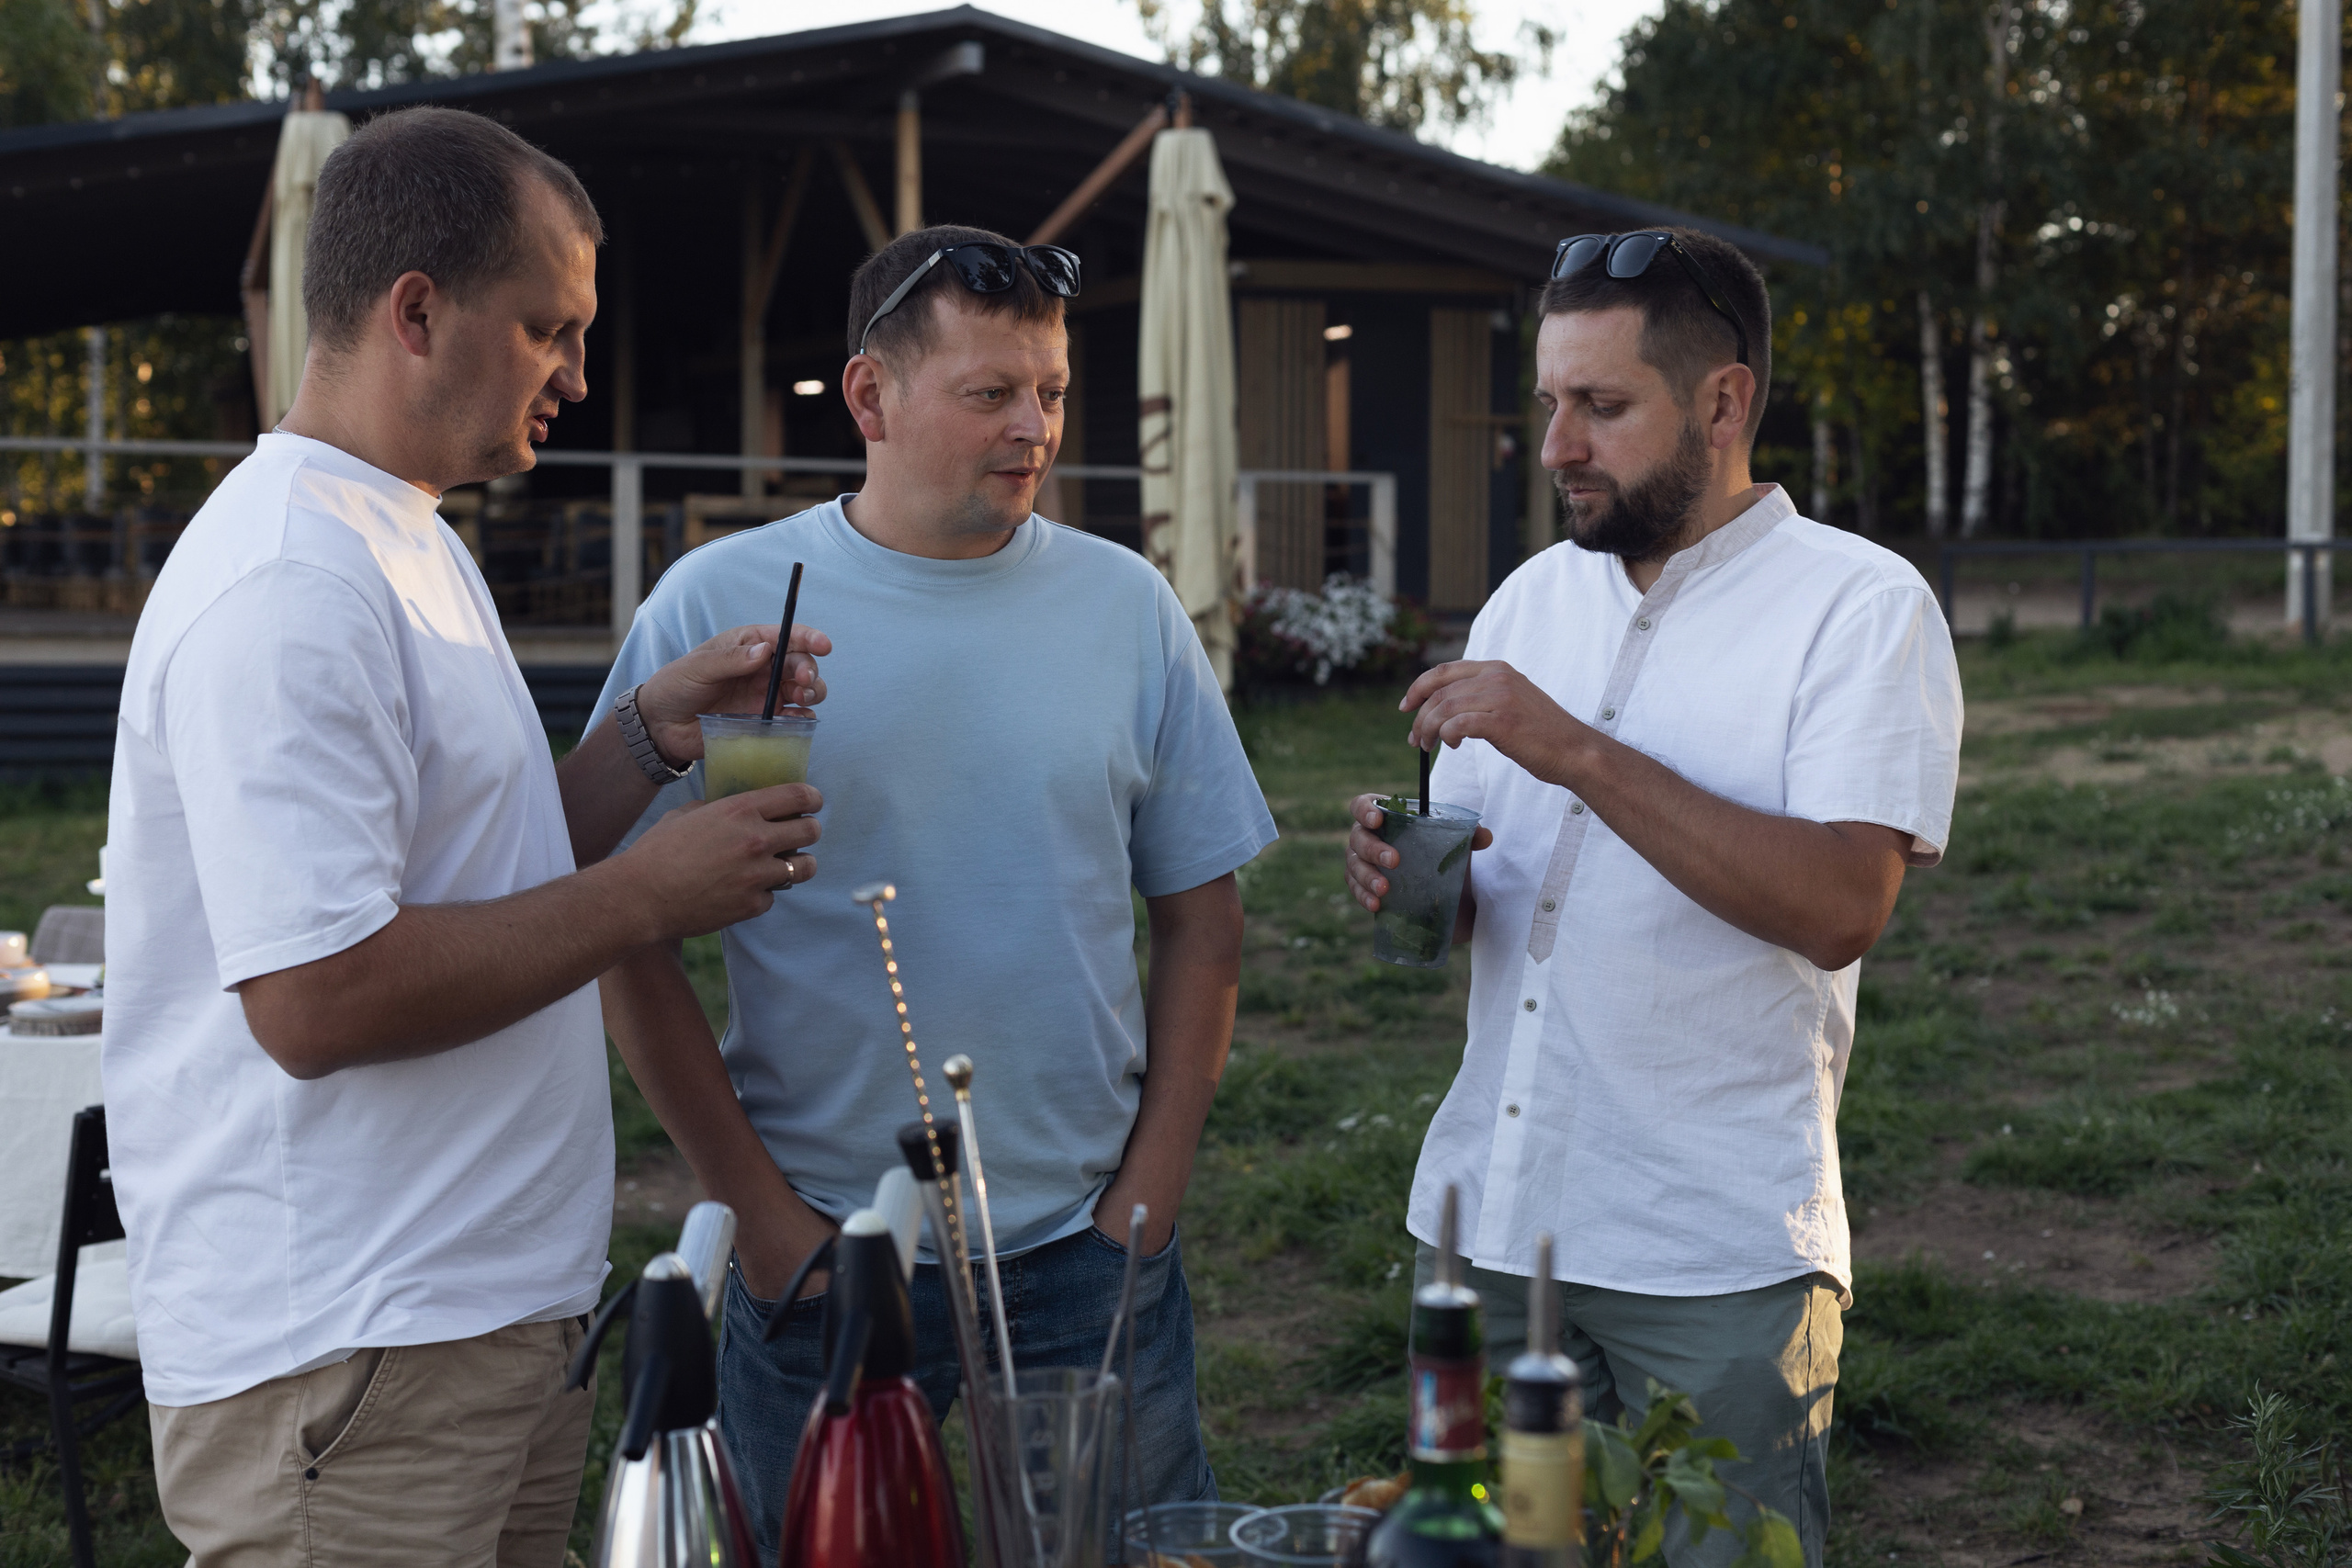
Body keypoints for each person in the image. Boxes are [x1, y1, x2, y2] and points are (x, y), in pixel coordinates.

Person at [105, 106, 831, 1567]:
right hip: (353, 1352)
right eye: (549, 329)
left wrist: (641, 745)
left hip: (472, 1324)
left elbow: (471, 879)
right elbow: (319, 997)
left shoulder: (407, 533)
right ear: (419, 312)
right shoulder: (289, 586)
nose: (576, 372)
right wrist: (643, 898)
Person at [594, 222, 1274, 1552]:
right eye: (990, 393)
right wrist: (760, 1212)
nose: (1034, 427)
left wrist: (1156, 1185)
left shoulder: (1128, 607)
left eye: (1052, 392)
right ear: (869, 397)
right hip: (817, 1244)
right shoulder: (721, 606)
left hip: (1088, 1241)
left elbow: (1205, 913)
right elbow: (626, 937)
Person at [1344, 227, 1962, 1567]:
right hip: (1494, 1220)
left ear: (1724, 402)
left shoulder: (1860, 607)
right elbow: (1500, 895)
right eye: (1550, 404)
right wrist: (1418, 881)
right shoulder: (1527, 602)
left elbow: (1845, 904)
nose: (1558, 444)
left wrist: (1569, 747)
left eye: (1603, 407)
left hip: (1715, 1252)